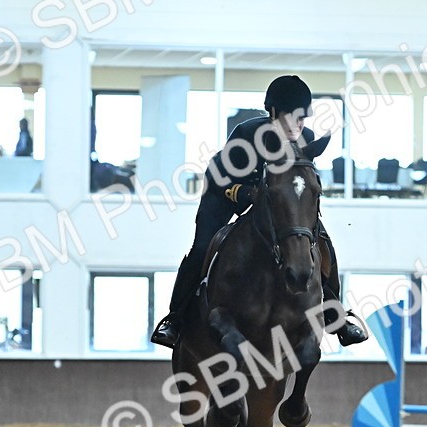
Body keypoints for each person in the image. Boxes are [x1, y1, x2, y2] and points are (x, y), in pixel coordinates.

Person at [150, 75, 367, 350]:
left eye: (302, 119)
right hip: (226, 195)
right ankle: (175, 319)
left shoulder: (307, 139)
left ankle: (336, 314)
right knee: (202, 248)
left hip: (275, 203)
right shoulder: (247, 135)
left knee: (321, 242)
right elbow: (220, 178)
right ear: (274, 113)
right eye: (292, 118)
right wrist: (248, 194)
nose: (298, 126)